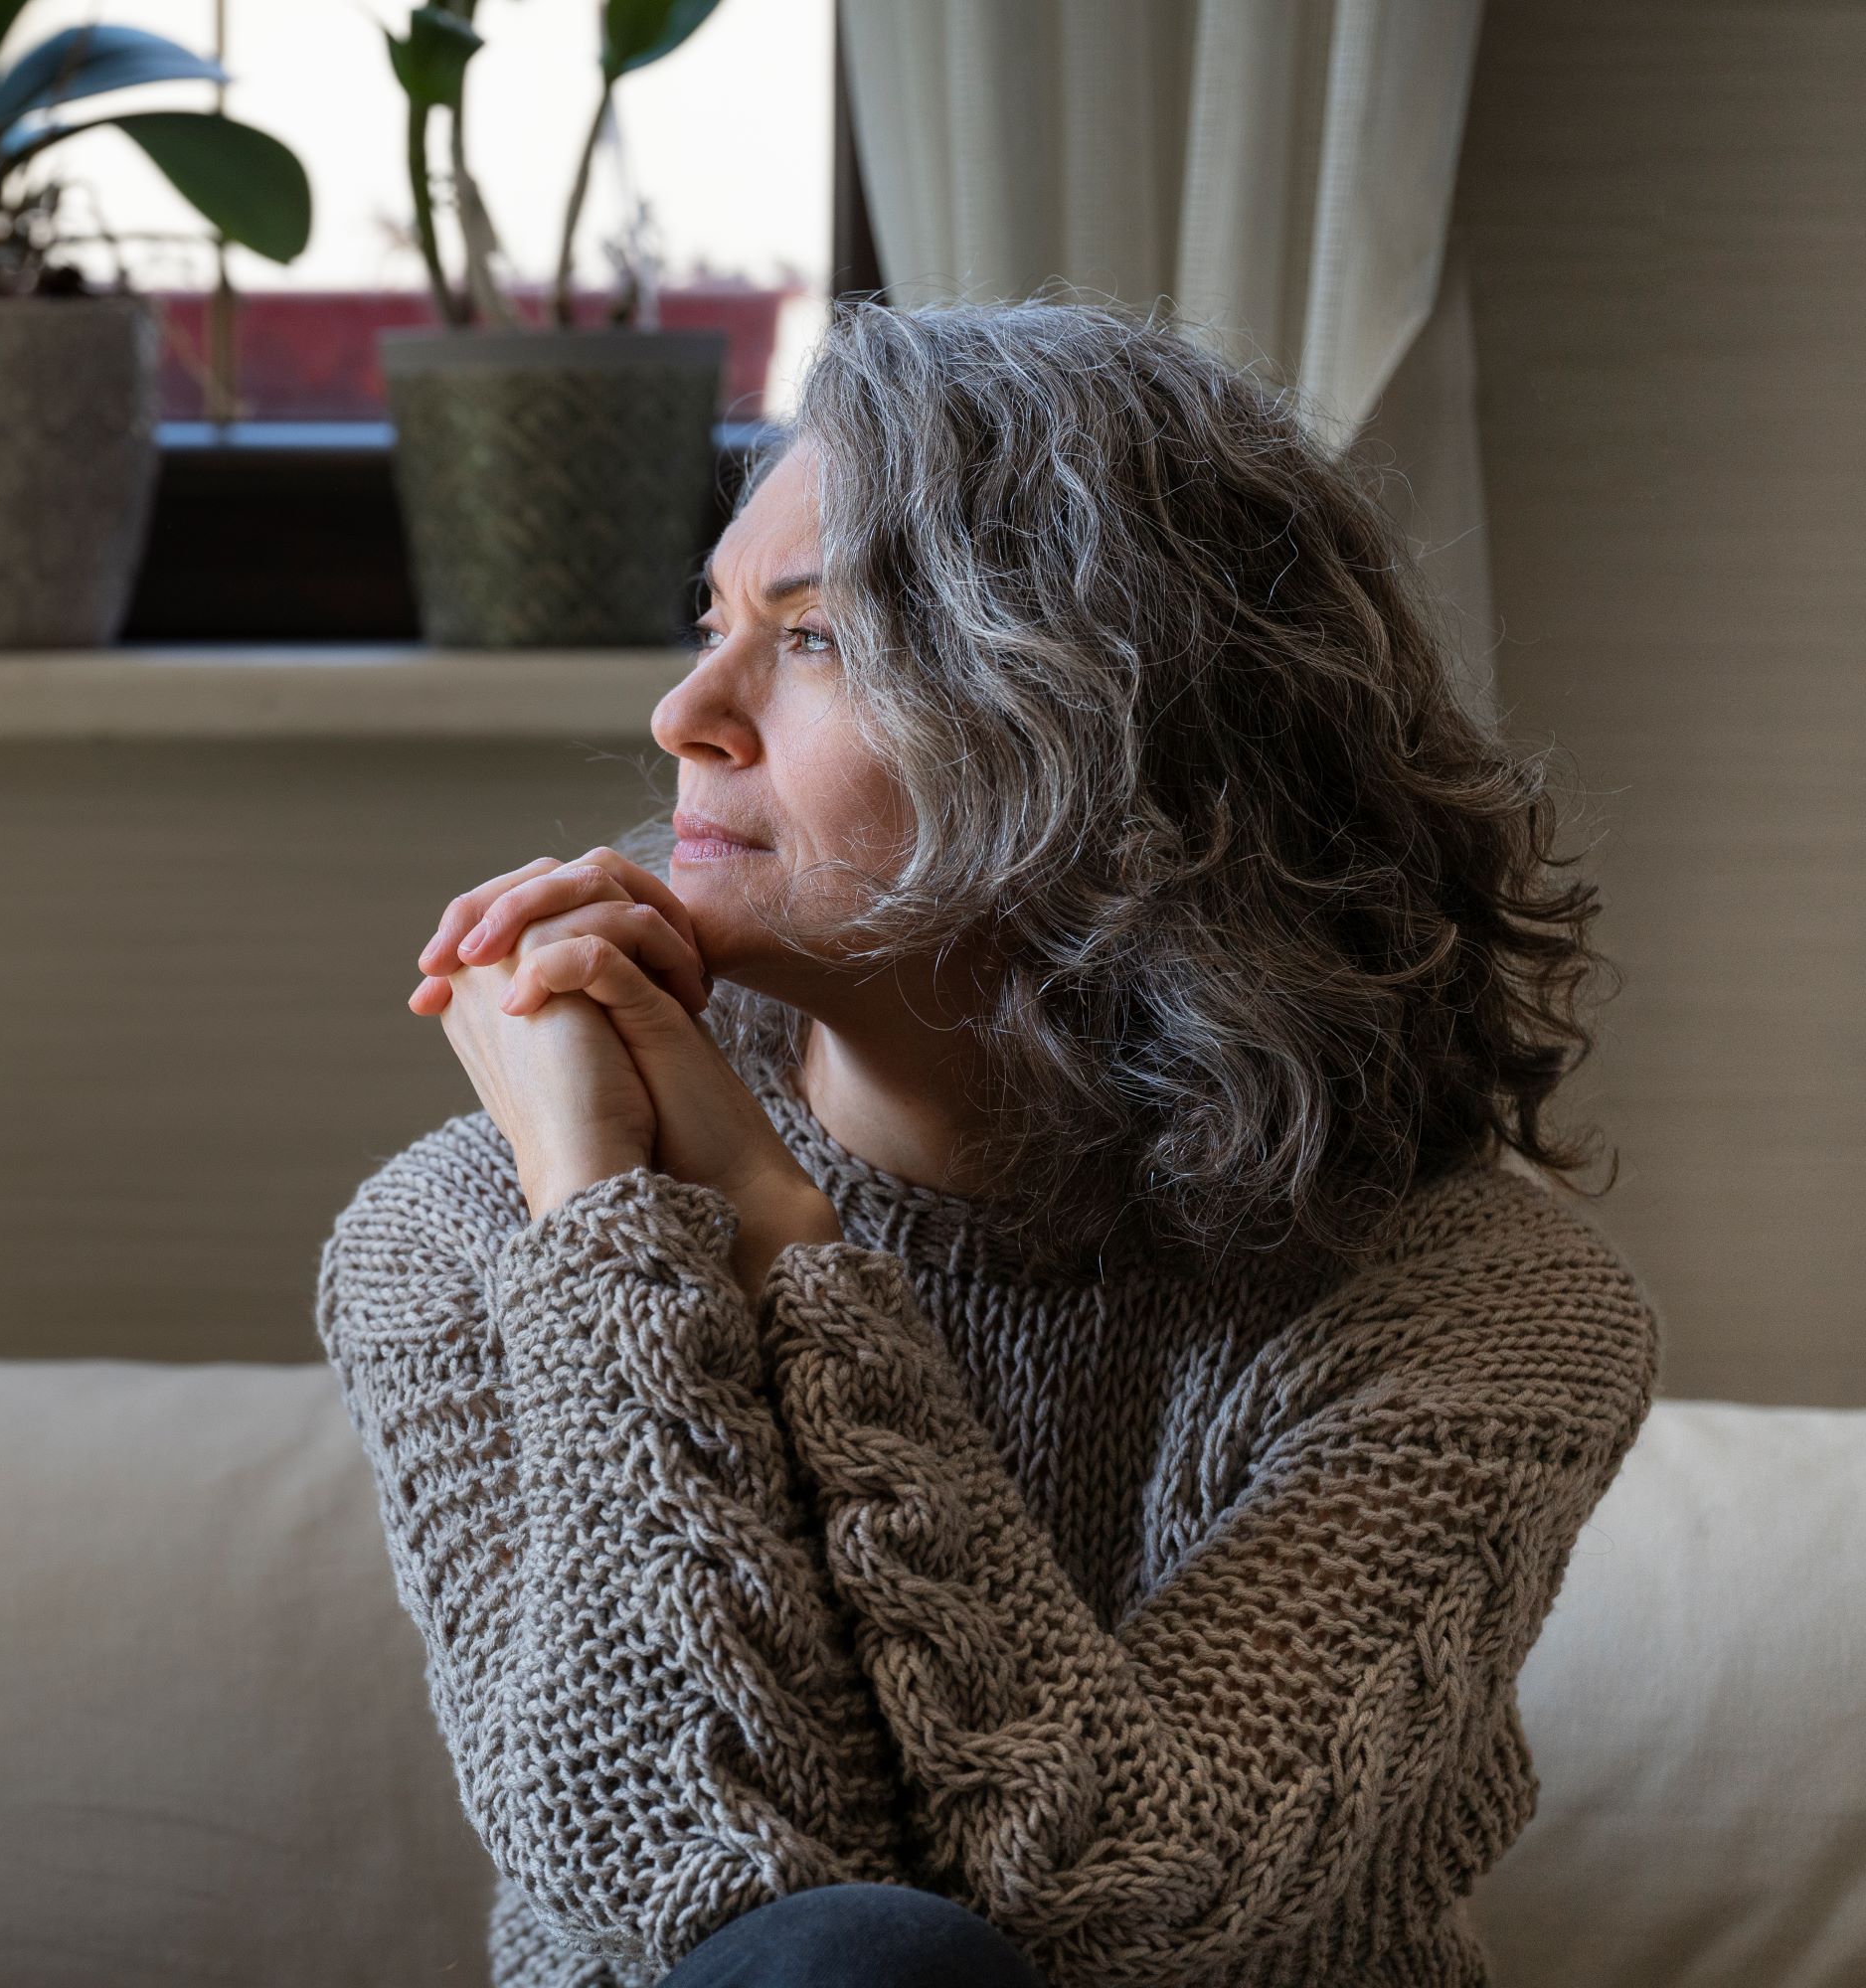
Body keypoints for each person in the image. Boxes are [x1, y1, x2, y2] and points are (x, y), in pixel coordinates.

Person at [315, 301, 1657, 1988]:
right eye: (712, 620)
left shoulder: (1479, 1309)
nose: (685, 714)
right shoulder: (467, 1232)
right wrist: (606, 1224)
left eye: (814, 642)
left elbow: (1107, 1897)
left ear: (1109, 730)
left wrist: (779, 1248)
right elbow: (677, 1873)